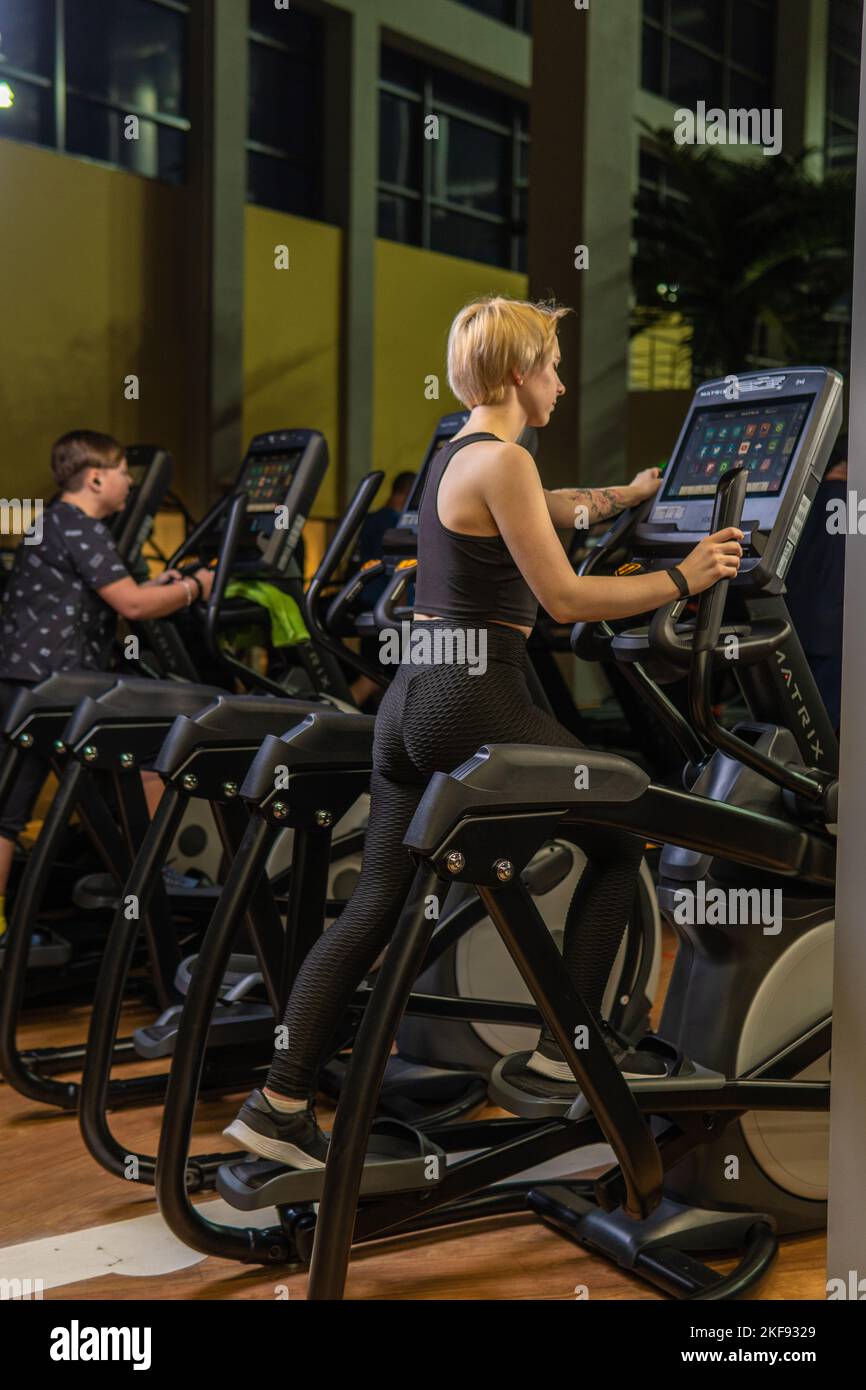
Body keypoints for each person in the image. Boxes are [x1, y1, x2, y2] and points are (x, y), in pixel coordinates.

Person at [224, 295, 743, 1167]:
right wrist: (684, 579)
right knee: (623, 832)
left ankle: (276, 1107)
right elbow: (566, 601)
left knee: (372, 910)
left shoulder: (464, 455)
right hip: (474, 694)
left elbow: (550, 505)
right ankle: (562, 1051)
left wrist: (631, 494)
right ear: (516, 374)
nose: (562, 383)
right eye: (551, 368)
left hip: (412, 701)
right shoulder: (503, 459)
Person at [0, 430, 214, 936]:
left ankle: (127, 878)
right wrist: (194, 587)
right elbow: (133, 606)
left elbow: (115, 591)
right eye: (123, 474)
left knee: (9, 812)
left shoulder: (54, 521)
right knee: (159, 743)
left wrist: (160, 584)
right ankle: (151, 878)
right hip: (51, 686)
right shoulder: (81, 527)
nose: (129, 484)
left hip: (24, 680)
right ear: (96, 477)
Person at [784, 436, 847, 731]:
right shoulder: (849, 501)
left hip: (795, 622)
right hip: (834, 629)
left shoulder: (802, 498)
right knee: (830, 727)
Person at [350, 471, 417, 709]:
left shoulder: (372, 519)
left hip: (368, 606)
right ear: (408, 495)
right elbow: (398, 569)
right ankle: (336, 720)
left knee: (373, 673)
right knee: (374, 678)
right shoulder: (393, 523)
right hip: (389, 610)